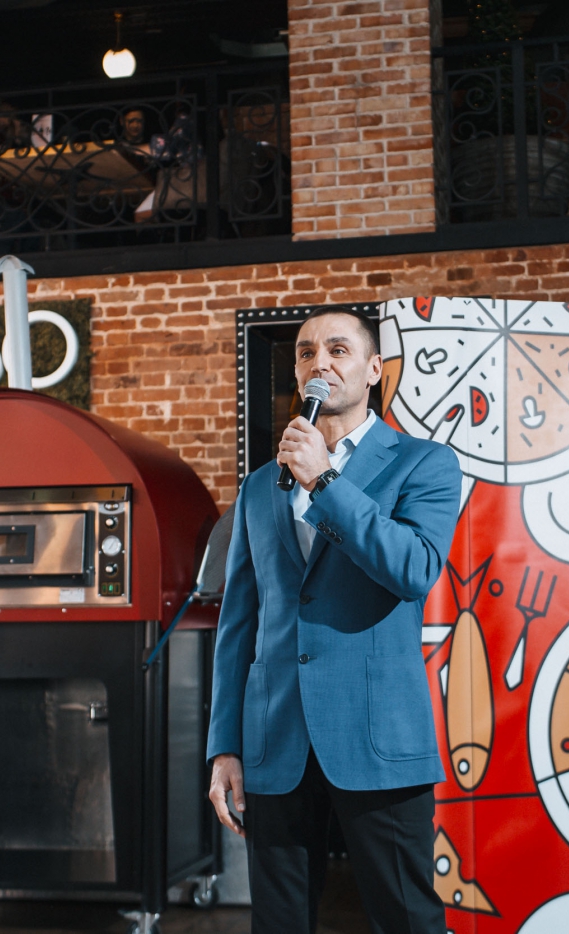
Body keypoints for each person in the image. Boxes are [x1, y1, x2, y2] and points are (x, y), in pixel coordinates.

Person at [206, 306, 462, 934]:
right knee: (278, 922)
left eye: (338, 350)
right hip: (275, 740)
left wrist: (324, 480)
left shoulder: (423, 464)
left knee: (407, 918)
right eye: (305, 352)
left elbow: (412, 569)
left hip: (377, 736)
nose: (319, 362)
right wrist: (225, 746)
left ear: (374, 369)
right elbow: (239, 623)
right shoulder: (260, 486)